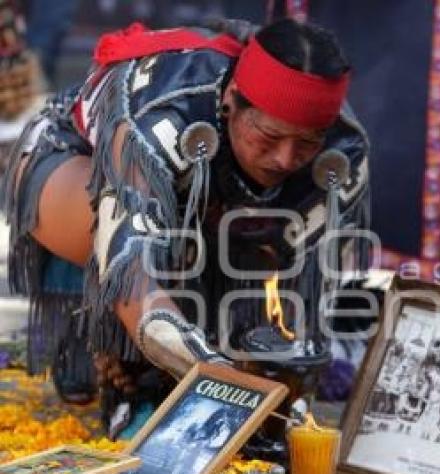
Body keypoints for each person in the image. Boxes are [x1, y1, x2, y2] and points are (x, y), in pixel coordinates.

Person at [1, 17, 370, 437]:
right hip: (74, 161)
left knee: (243, 257)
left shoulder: (342, 153)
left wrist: (274, 367)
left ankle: (187, 354)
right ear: (232, 100)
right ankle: (110, 351)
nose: (285, 159)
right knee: (143, 243)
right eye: (269, 137)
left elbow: (292, 279)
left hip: (202, 210)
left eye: (306, 143)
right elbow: (128, 263)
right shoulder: (164, 115)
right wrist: (217, 376)